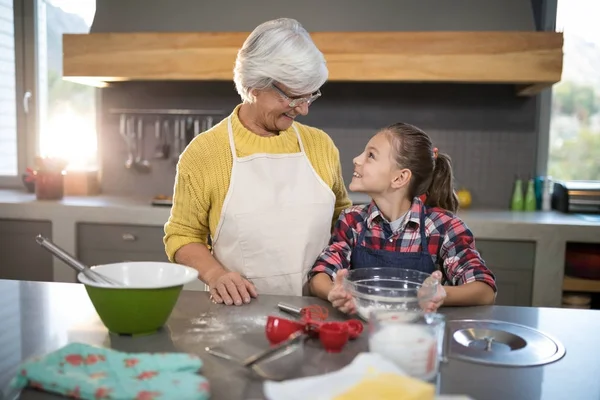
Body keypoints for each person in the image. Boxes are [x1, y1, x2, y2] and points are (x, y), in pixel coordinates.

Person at [163, 18, 351, 306]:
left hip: (319, 312)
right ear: (254, 87)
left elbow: (344, 220)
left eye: (310, 95)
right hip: (239, 315)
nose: (304, 109)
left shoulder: (320, 145)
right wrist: (215, 274)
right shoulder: (205, 153)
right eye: (293, 96)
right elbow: (182, 235)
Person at [308, 122, 496, 313]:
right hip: (363, 330)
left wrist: (438, 293)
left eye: (371, 155)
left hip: (419, 335)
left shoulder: (443, 227)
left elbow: (484, 290)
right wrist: (334, 292)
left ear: (399, 178)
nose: (356, 159)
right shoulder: (352, 221)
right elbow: (320, 275)